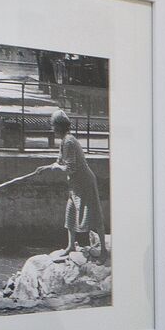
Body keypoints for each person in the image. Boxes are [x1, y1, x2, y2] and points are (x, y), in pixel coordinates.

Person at [40, 109, 107, 263]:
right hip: (75, 184)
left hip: (85, 182)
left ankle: (103, 250)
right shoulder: (64, 141)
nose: (52, 129)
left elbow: (70, 168)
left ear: (60, 127)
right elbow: (59, 162)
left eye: (53, 126)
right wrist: (45, 168)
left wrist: (56, 168)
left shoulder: (69, 141)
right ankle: (70, 246)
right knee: (70, 213)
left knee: (94, 215)